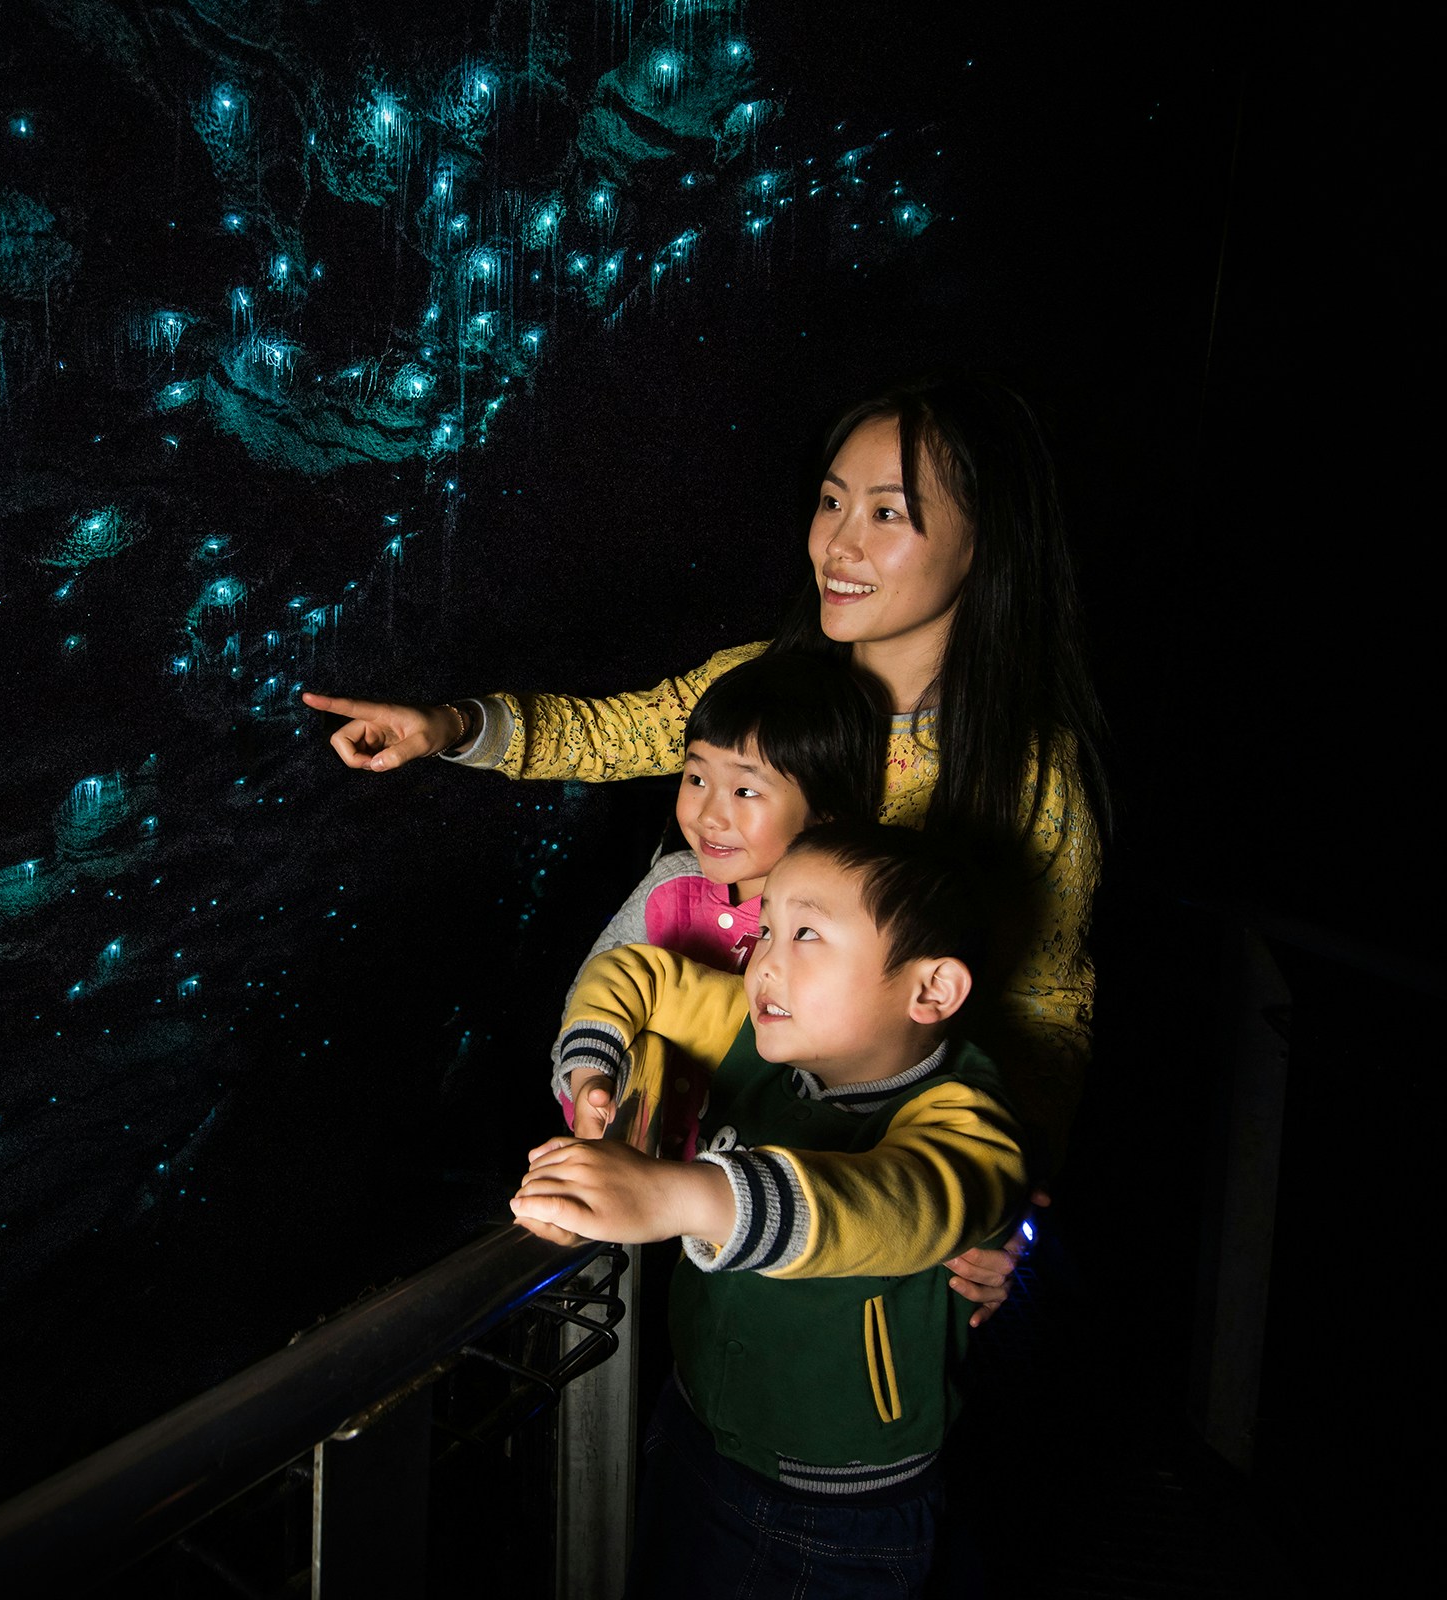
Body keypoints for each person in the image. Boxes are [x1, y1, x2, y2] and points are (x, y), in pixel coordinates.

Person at [306, 375, 1102, 1312]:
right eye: (831, 500)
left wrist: (1012, 1194)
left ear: (988, 541)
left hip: (879, 1167)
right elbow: (612, 731)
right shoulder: (763, 683)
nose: (838, 544)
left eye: (888, 513)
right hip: (704, 1141)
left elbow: (1048, 1005)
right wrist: (447, 727)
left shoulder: (1028, 774)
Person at [511, 822, 1025, 1597]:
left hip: (832, 1506)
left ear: (931, 990)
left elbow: (891, 1201)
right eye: (767, 929)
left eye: (807, 934)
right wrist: (593, 1074)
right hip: (696, 1420)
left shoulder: (966, 1120)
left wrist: (677, 1195)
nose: (761, 962)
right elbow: (637, 974)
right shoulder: (768, 1037)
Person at [557, 650, 887, 1153]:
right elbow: (592, 988)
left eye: (746, 791)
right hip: (636, 1154)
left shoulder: (837, 919)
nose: (710, 814)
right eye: (697, 779)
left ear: (827, 813)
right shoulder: (668, 883)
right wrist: (589, 1085)